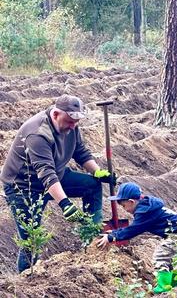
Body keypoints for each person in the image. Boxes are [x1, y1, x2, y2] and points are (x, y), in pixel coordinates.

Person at [0, 94, 113, 273]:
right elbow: (46, 173)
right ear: (55, 115)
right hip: (24, 186)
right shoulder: (37, 133)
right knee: (31, 240)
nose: (73, 126)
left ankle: (92, 236)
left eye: (75, 122)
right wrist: (65, 204)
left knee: (91, 185)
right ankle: (24, 282)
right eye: (69, 122)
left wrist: (97, 171)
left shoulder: (71, 124)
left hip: (56, 175)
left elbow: (79, 150)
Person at [96, 182, 177, 294]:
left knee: (161, 255)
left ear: (131, 202)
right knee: (174, 258)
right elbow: (135, 226)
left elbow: (134, 229)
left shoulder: (145, 212)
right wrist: (115, 232)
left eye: (124, 206)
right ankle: (176, 284)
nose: (124, 209)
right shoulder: (148, 205)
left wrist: (111, 237)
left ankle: (163, 287)